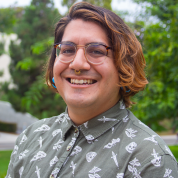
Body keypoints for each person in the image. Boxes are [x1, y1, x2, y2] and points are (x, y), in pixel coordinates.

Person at [6, 2, 178, 178]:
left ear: (124, 66)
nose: (78, 63)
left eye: (96, 51)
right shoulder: (30, 138)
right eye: (67, 50)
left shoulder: (149, 160)